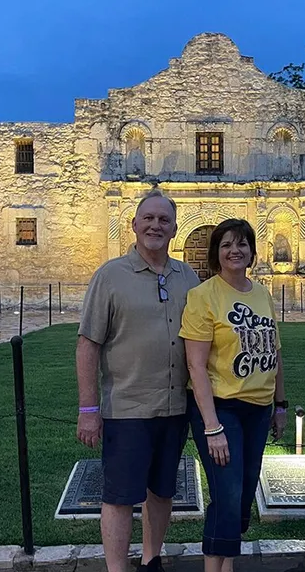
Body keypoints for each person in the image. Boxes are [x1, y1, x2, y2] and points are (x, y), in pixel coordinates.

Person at [76, 189, 201, 572]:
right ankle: (116, 568)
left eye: (164, 220)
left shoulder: (188, 277)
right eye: (148, 218)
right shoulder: (111, 276)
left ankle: (151, 559)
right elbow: (87, 344)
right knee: (118, 496)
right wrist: (88, 409)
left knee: (162, 491)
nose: (155, 226)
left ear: (175, 229)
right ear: (134, 225)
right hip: (127, 408)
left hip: (174, 407)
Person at [179, 218, 287, 572]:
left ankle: (226, 565)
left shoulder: (261, 294)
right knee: (226, 492)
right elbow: (195, 366)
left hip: (257, 409)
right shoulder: (202, 296)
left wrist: (280, 405)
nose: (234, 250)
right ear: (216, 253)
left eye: (242, 244)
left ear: (253, 252)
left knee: (242, 495)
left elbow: (275, 351)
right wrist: (212, 427)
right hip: (220, 408)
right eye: (226, 244)